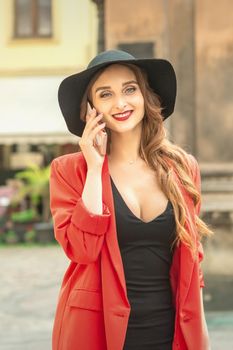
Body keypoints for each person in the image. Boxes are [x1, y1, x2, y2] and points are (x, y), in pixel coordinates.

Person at [49, 50, 213, 350]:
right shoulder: (70, 170)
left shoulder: (182, 167)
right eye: (105, 94)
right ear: (90, 108)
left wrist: (201, 338)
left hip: (169, 329)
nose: (120, 103)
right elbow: (82, 250)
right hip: (96, 331)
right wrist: (95, 166)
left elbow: (193, 261)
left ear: (145, 95)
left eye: (129, 89)